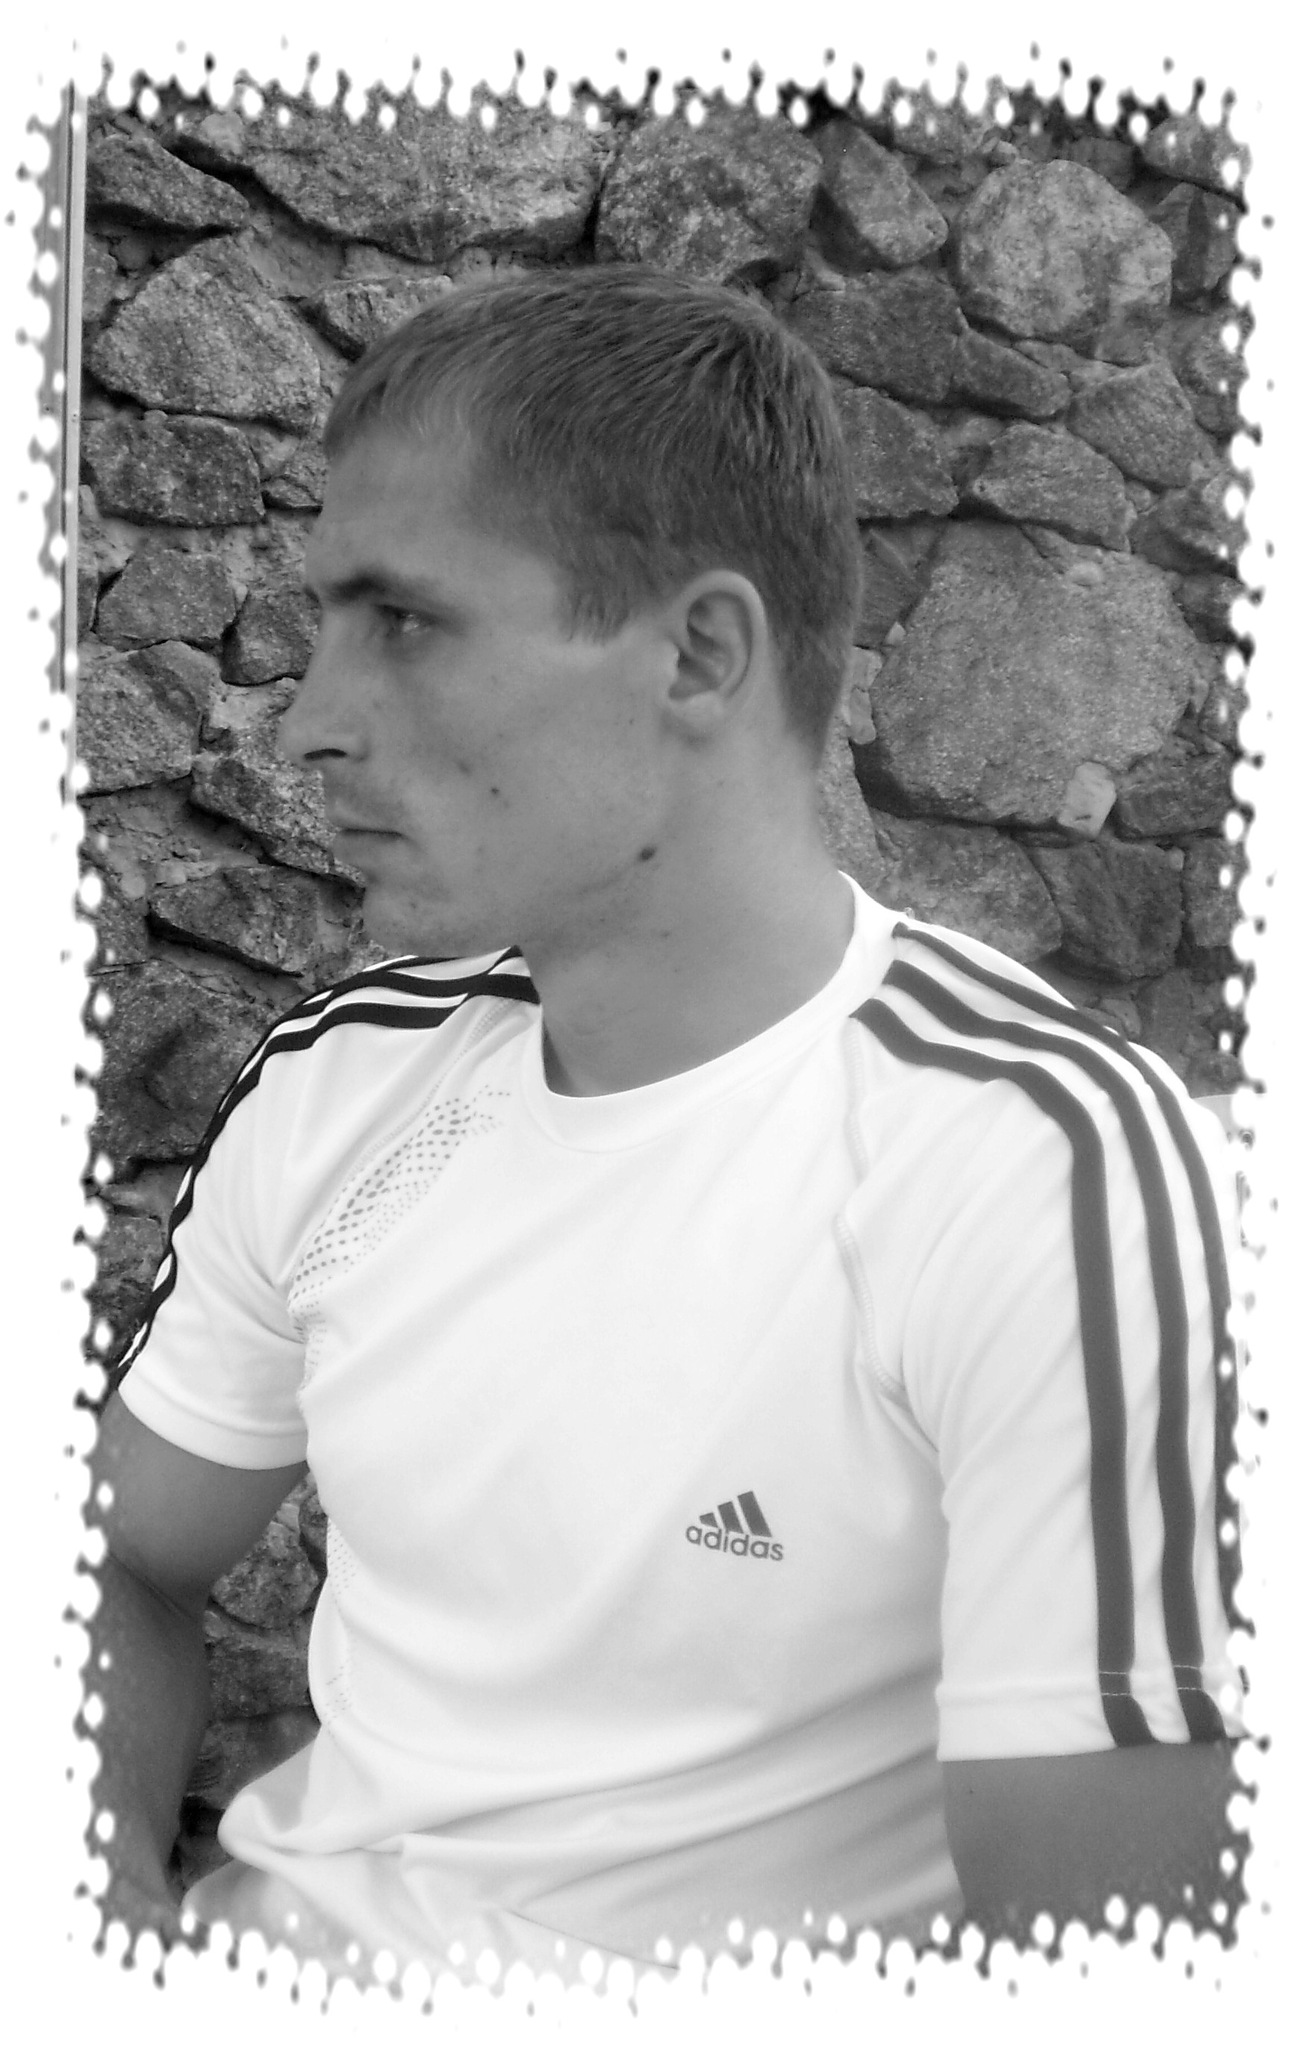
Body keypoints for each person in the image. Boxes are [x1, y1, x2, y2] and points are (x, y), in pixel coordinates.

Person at [86, 266, 1245, 1988]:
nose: (309, 720)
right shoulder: (346, 1079)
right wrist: (97, 1917)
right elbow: (116, 1565)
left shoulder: (1032, 1169)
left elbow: (1111, 1974)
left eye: (404, 623)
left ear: (699, 654)